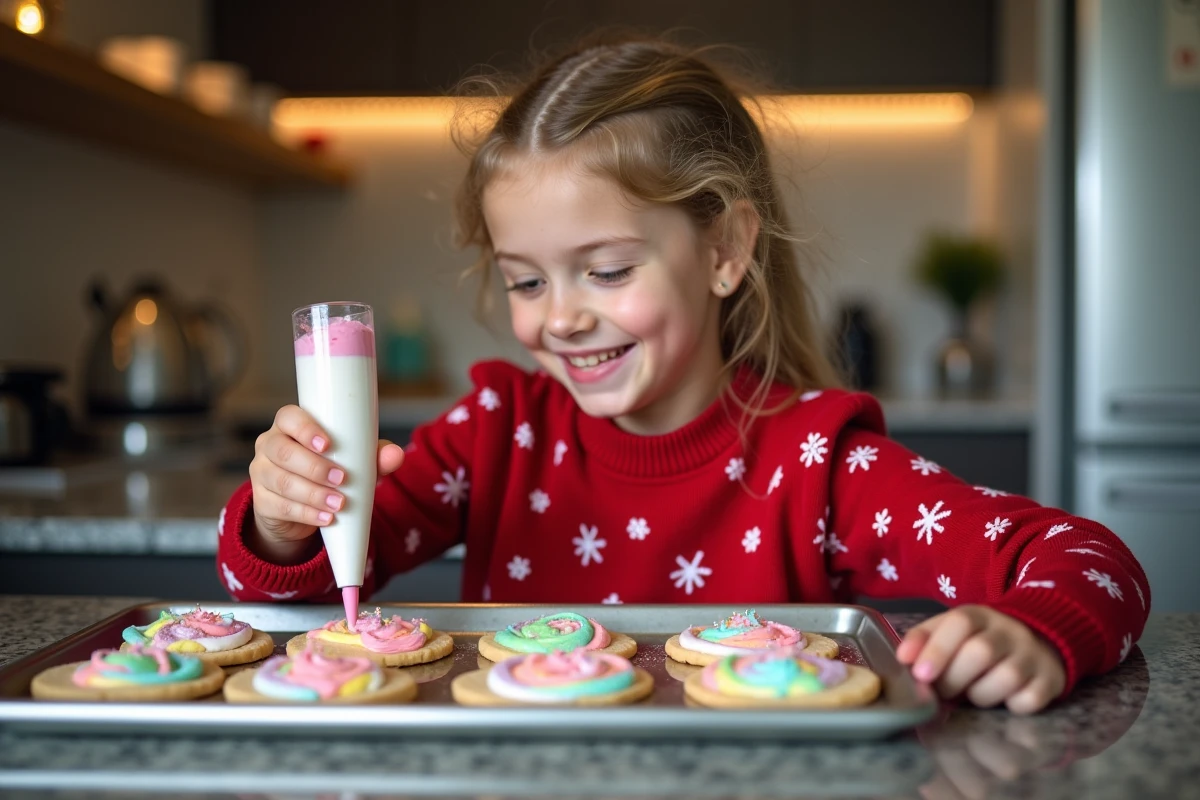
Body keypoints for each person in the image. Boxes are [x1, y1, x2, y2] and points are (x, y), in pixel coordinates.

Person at [215, 36, 1149, 714]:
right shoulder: (499, 431)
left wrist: (1034, 629)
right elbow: (285, 597)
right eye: (526, 281)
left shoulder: (816, 462)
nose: (562, 316)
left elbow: (1091, 562)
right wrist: (282, 519)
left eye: (608, 270)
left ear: (725, 250)